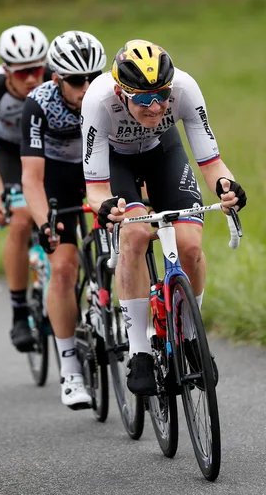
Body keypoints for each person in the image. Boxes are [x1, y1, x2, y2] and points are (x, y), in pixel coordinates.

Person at [80, 39, 247, 395]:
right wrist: (106, 206)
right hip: (117, 161)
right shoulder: (97, 100)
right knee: (136, 236)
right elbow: (95, 189)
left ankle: (189, 334)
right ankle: (139, 350)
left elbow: (212, 164)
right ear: (122, 93)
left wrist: (227, 187)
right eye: (143, 98)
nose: (155, 106)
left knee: (190, 245)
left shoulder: (185, 89)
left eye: (162, 95)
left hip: (163, 152)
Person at [20, 31, 108, 409]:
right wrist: (44, 223)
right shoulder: (38, 104)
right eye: (76, 80)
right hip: (56, 175)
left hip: (99, 170)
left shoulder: (108, 95)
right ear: (56, 79)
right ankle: (71, 371)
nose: (87, 87)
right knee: (65, 266)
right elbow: (32, 179)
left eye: (93, 76)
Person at [0, 25, 52, 353]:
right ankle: (19, 311)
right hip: (11, 154)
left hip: (49, 149)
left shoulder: (60, 78)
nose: (32, 79)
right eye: (22, 73)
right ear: (6, 70)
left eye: (37, 69)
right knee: (20, 218)